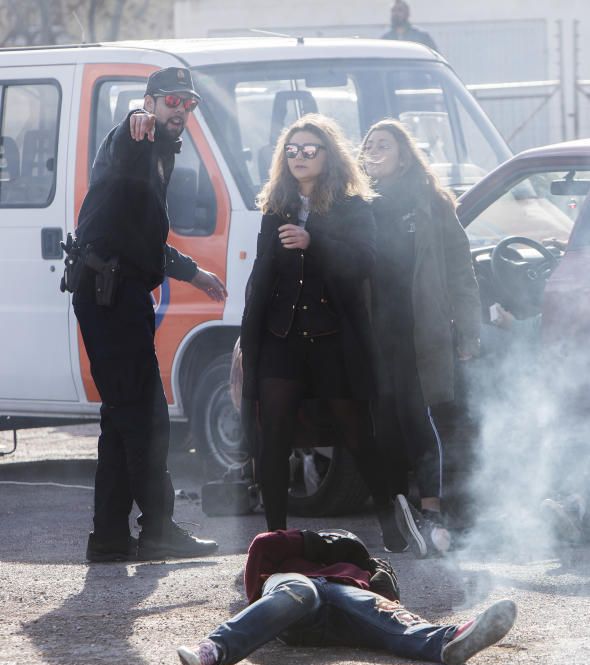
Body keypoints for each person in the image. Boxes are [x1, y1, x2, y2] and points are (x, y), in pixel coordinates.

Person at [72, 67, 227, 562]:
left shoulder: (162, 153)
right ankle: (158, 530)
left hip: (119, 291)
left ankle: (111, 538)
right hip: (108, 295)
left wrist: (192, 272)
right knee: (148, 416)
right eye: (170, 102)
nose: (180, 111)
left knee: (122, 418)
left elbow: (144, 239)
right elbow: (124, 136)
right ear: (151, 103)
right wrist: (135, 117)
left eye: (189, 104)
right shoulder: (137, 139)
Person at [239, 113, 405, 552]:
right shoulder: (276, 207)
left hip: (333, 337)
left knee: (355, 431)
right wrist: (250, 335)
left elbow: (364, 263)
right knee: (272, 435)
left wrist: (314, 242)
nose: (299, 157)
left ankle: (389, 520)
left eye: (309, 150)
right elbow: (261, 275)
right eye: (291, 151)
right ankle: (275, 536)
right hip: (282, 336)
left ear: (329, 155)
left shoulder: (353, 207)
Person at [360, 119, 481, 557]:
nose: (373, 150)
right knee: (383, 420)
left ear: (403, 154)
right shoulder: (357, 203)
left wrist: (468, 331)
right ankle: (398, 508)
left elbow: (460, 270)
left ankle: (432, 512)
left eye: (383, 144)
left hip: (420, 327)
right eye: (368, 144)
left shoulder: (430, 201)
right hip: (373, 329)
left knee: (419, 416)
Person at [176, 528, 517, 665]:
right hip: (297, 591)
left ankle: (447, 641)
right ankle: (215, 649)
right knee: (303, 593)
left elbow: (387, 603)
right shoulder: (297, 556)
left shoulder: (370, 569)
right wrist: (312, 542)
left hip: (339, 608)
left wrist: (380, 583)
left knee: (383, 615)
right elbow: (262, 547)